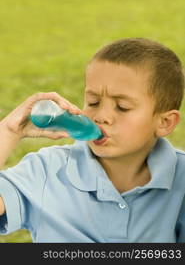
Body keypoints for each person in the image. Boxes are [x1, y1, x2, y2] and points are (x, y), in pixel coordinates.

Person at [0, 37, 185, 243]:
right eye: (93, 101)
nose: (101, 116)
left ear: (165, 122)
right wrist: (7, 131)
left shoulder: (181, 179)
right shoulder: (45, 171)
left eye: (122, 106)